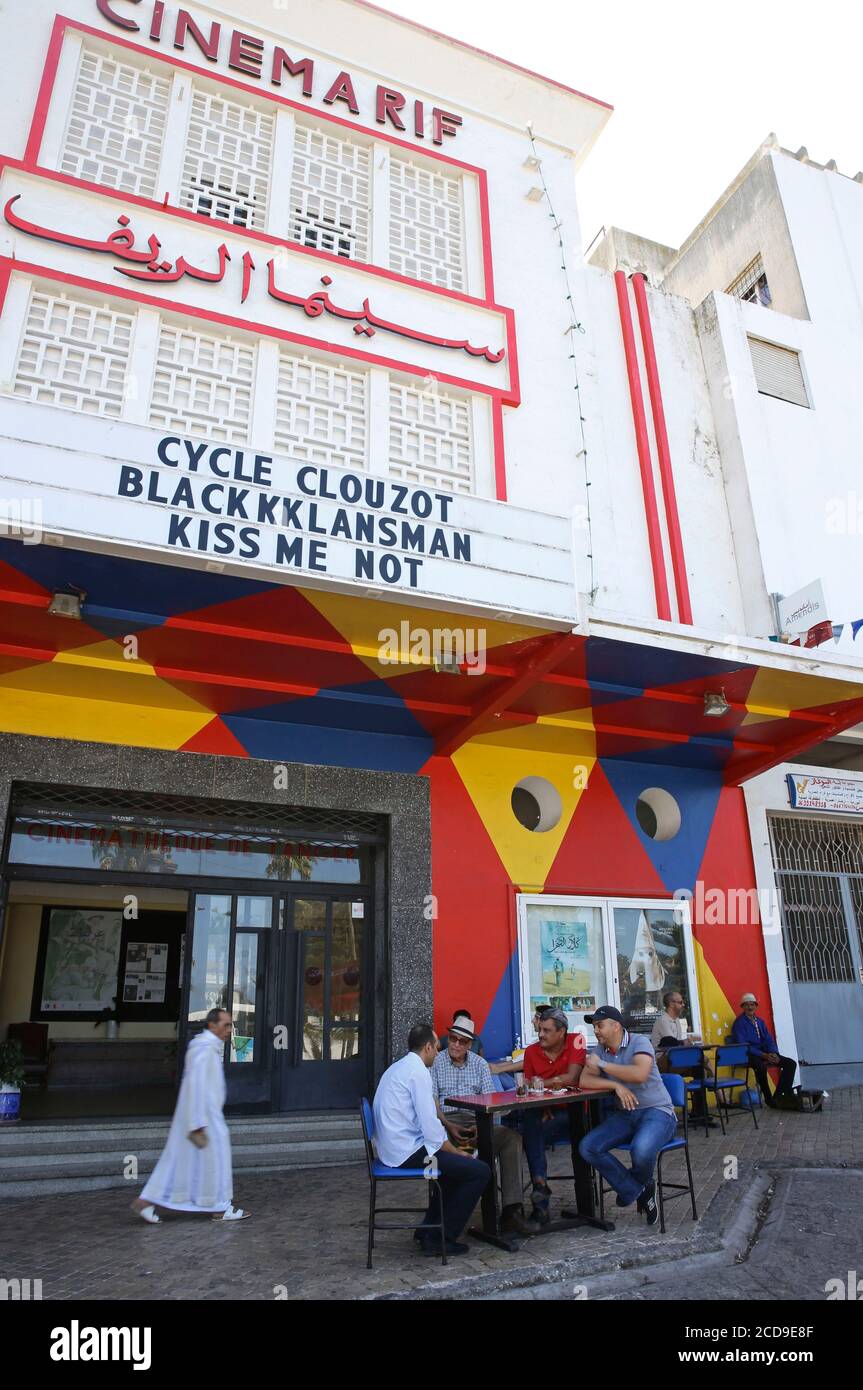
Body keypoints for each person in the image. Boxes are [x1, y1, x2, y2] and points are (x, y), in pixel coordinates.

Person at [373, 1023, 491, 1256]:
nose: (439, 1053)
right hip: (406, 1152)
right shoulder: (419, 1073)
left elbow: (428, 1129)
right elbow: (431, 1128)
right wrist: (456, 1152)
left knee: (452, 1172)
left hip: (393, 1148)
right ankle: (441, 1239)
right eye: (437, 1048)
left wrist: (449, 1153)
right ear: (427, 1047)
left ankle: (428, 1230)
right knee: (479, 1172)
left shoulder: (399, 1067)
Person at [131, 1008, 249, 1223]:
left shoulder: (205, 1048)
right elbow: (195, 1086)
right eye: (225, 1025)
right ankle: (219, 1208)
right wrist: (197, 1122)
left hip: (201, 1116)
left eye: (230, 1025)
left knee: (178, 1161)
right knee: (214, 1161)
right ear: (212, 1025)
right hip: (203, 1118)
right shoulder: (204, 1050)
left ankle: (146, 1201)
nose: (229, 1030)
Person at [431, 1014, 537, 1236]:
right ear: (447, 1039)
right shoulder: (436, 1061)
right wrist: (448, 1125)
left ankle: (511, 1211)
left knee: (510, 1137)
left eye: (462, 1041)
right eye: (452, 1039)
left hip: (477, 1121)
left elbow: (492, 1101)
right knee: (456, 1151)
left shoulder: (480, 1064)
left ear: (470, 1044)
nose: (456, 1045)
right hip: (446, 1124)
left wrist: (483, 1127)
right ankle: (445, 1215)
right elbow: (431, 1103)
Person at [577, 1005, 678, 1229]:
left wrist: (602, 1065)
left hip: (658, 1111)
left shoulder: (639, 1042)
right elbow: (585, 1080)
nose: (596, 1031)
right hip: (625, 1114)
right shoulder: (600, 1049)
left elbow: (640, 1074)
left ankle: (632, 1186)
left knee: (640, 1150)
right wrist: (615, 1085)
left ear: (616, 1026)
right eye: (594, 1026)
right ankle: (639, 1189)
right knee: (588, 1147)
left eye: (599, 1025)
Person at [520, 1007, 586, 1224]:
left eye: (547, 1031)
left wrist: (544, 1084)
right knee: (533, 1128)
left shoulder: (577, 1040)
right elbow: (530, 1088)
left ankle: (541, 1201)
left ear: (561, 1032)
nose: (541, 1035)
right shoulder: (531, 1052)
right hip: (547, 1113)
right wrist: (546, 1104)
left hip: (576, 1113)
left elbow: (572, 1078)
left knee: (532, 1133)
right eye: (540, 1030)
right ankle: (540, 1191)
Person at [729, 993, 796, 1107]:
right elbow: (743, 1045)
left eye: (752, 1005)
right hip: (747, 1054)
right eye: (747, 1005)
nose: (750, 1007)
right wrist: (764, 1055)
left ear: (756, 1006)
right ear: (743, 1007)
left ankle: (779, 1095)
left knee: (790, 1064)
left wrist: (774, 1053)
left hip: (764, 1053)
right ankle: (769, 1099)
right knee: (761, 1067)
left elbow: (768, 1039)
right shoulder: (739, 1023)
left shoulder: (759, 1021)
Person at [489, 1004, 553, 1075]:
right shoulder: (538, 1042)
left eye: (536, 1018)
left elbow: (530, 1062)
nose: (533, 1021)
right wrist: (496, 1066)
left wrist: (499, 1069)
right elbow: (521, 1059)